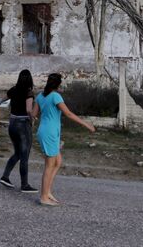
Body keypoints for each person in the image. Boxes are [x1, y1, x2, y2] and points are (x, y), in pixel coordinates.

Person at [33, 73, 95, 206]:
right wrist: (86, 124)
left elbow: (33, 114)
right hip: (49, 133)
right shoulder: (55, 96)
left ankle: (47, 191)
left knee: (58, 161)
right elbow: (68, 113)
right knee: (49, 165)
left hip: (47, 131)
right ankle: (43, 197)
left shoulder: (40, 96)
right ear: (58, 84)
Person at [0, 69, 38, 193]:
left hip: (12, 124)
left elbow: (2, 100)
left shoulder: (13, 90)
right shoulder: (28, 92)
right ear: (30, 79)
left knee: (17, 153)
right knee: (24, 155)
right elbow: (28, 109)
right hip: (23, 125)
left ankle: (5, 177)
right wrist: (33, 118)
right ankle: (24, 184)